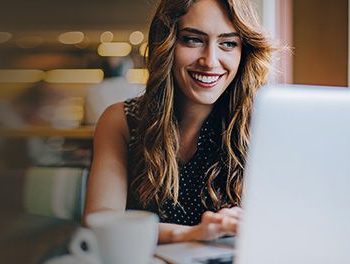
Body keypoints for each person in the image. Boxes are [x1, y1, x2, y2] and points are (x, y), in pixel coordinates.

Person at [84, 0, 273, 244]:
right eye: (193, 39)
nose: (210, 61)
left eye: (228, 43)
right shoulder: (121, 120)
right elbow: (100, 223)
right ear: (166, 43)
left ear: (243, 51)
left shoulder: (262, 126)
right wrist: (191, 234)